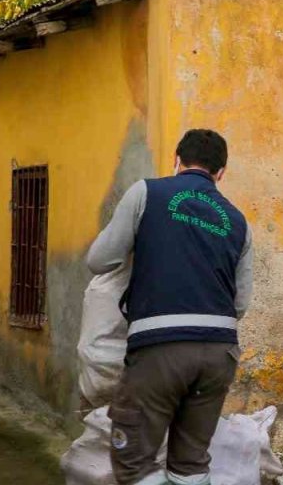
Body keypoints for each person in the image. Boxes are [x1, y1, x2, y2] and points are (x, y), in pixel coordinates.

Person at [87, 129, 253, 485]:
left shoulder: (147, 192)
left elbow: (100, 260)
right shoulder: (238, 221)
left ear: (176, 160)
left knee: (134, 462)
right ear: (221, 172)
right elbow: (241, 304)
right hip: (219, 354)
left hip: (160, 348)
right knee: (190, 464)